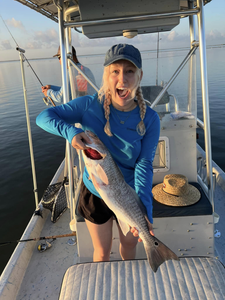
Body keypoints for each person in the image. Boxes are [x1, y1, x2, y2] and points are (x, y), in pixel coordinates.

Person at [36, 44, 160, 262]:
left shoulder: (150, 118)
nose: (122, 79)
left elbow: (144, 163)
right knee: (101, 252)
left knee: (129, 248)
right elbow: (43, 118)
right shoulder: (88, 105)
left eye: (130, 71)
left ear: (140, 76)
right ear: (106, 75)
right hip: (95, 192)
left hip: (129, 194)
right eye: (115, 71)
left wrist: (145, 211)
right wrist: (71, 132)